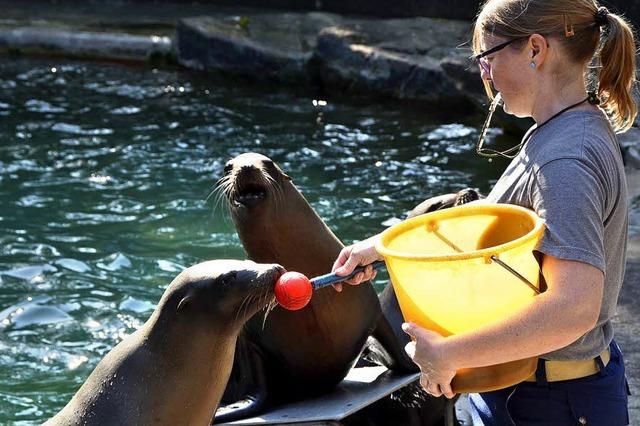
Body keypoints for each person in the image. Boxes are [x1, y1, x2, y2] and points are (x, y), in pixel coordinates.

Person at [331, 0, 636, 424]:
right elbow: (504, 218)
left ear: (534, 49)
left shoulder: (567, 161)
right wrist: (384, 247)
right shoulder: (561, 127)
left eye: (487, 58)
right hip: (526, 387)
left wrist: (449, 354)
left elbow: (574, 308)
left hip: (552, 403)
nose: (484, 75)